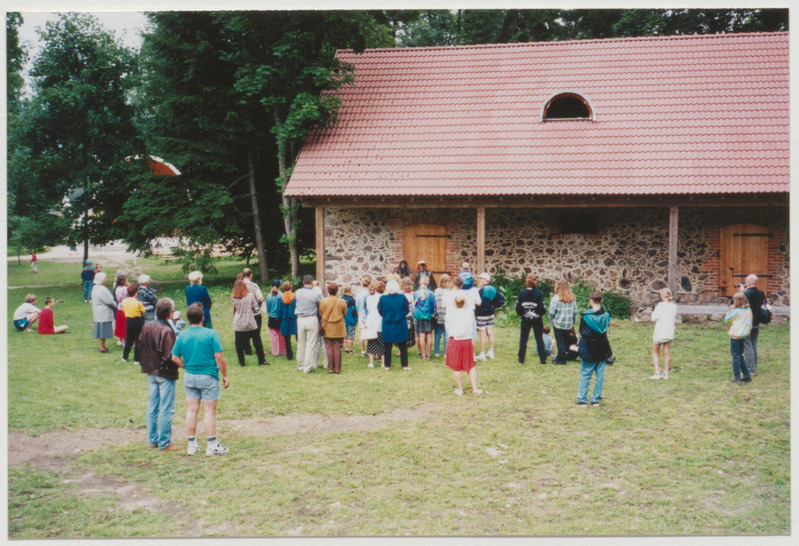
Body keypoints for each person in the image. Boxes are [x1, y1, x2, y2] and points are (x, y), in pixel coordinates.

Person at [171, 302, 231, 456]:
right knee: (209, 411)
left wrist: (187, 367)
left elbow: (175, 357)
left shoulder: (182, 335)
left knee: (191, 410)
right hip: (208, 377)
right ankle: (212, 445)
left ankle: (192, 445)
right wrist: (225, 375)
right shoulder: (211, 334)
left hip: (190, 377)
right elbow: (219, 357)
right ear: (203, 317)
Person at [138, 298, 181, 451]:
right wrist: (184, 365)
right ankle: (164, 443)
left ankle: (152, 440)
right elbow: (170, 356)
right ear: (170, 313)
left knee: (153, 406)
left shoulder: (147, 325)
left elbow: (140, 346)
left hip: (151, 370)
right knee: (166, 408)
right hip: (164, 373)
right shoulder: (167, 330)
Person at [575, 291, 613, 406]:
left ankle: (582, 399)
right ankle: (596, 398)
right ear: (601, 301)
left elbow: (582, 332)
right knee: (600, 375)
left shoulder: (586, 317)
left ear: (591, 301)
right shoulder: (606, 316)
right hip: (602, 347)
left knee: (586, 373)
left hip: (589, 348)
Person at [445, 293, 482, 395]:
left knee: (456, 367)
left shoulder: (450, 314)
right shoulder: (469, 313)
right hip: (467, 340)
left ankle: (460, 390)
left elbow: (448, 328)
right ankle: (475, 389)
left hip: (455, 341)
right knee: (470, 365)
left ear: (454, 303)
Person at [231, 278, 268, 367]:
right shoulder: (250, 296)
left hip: (238, 322)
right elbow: (254, 307)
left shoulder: (233, 297)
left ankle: (242, 362)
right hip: (250, 321)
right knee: (257, 342)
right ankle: (261, 360)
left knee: (238, 344)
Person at [379, 279, 411, 370]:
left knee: (387, 346)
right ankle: (405, 365)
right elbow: (406, 309)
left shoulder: (383, 298)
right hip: (400, 323)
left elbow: (380, 310)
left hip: (387, 324)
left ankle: (387, 365)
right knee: (403, 345)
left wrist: (387, 316)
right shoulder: (402, 297)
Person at [516, 273, 547, 365]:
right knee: (539, 339)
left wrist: (522, 314)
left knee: (523, 339)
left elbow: (518, 307)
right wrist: (539, 314)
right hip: (537, 319)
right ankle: (542, 360)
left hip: (525, 319)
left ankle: (521, 360)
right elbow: (543, 307)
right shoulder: (538, 293)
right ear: (535, 281)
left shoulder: (522, 293)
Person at [295, 275, 323, 373]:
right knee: (311, 343)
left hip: (300, 318)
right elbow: (320, 304)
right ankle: (307, 367)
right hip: (311, 318)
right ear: (312, 283)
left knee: (301, 343)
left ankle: (300, 365)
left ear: (303, 282)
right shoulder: (315, 294)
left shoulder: (298, 292)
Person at [723, 292, 753, 384]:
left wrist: (731, 310)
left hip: (735, 335)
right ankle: (747, 375)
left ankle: (737, 377)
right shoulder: (748, 310)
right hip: (743, 335)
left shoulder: (737, 312)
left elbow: (727, 319)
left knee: (735, 356)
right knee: (740, 355)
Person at [475, 272, 505, 361]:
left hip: (481, 315)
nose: (479, 280)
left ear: (486, 280)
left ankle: (482, 353)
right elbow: (501, 299)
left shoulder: (481, 290)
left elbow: (476, 302)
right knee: (490, 332)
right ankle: (491, 351)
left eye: (481, 279)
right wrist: (494, 306)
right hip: (491, 314)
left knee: (482, 334)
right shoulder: (493, 289)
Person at [319, 283, 348, 374]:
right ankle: (338, 368)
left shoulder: (323, 301)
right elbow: (345, 313)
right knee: (338, 347)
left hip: (327, 326)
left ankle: (331, 368)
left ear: (328, 290)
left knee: (329, 347)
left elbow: (321, 313)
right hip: (339, 326)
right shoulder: (342, 301)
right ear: (337, 291)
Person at [548, 279, 578, 365]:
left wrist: (551, 321)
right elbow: (575, 312)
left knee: (560, 342)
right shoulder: (572, 298)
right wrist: (572, 322)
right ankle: (558, 359)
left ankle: (563, 360)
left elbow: (551, 312)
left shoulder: (556, 298)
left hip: (558, 323)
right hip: (568, 324)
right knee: (564, 342)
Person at [742, 274, 767, 375]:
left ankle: (750, 369)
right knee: (753, 344)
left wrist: (741, 291)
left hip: (747, 322)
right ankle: (753, 366)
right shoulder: (760, 293)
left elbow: (736, 303)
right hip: (756, 321)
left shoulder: (745, 293)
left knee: (747, 346)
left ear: (748, 282)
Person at [650, 287, 677, 379]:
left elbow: (654, 317)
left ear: (662, 296)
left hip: (660, 331)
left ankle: (657, 372)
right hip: (669, 331)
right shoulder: (674, 306)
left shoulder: (660, 306)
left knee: (655, 352)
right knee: (667, 353)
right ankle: (665, 373)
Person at [91, 272, 118, 353]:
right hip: (103, 312)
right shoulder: (102, 289)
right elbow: (109, 301)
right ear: (102, 280)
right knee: (103, 331)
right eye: (105, 278)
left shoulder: (95, 287)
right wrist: (116, 305)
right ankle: (102, 347)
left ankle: (102, 346)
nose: (106, 280)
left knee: (101, 330)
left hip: (98, 312)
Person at [242, 268, 266, 353]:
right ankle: (258, 349)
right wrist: (257, 307)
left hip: (244, 312)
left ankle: (247, 349)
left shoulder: (239, 285)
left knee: (245, 331)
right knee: (256, 332)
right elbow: (260, 298)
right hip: (255, 312)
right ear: (250, 275)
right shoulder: (254, 286)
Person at [413, 276, 436, 359]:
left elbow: (414, 305)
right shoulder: (431, 293)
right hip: (428, 316)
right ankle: (429, 354)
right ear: (428, 282)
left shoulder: (415, 293)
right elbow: (434, 305)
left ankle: (423, 355)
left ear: (420, 282)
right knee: (429, 335)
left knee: (421, 335)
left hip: (419, 316)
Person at [122, 283, 146, 364]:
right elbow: (143, 311)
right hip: (138, 320)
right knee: (138, 340)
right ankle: (136, 359)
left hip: (129, 320)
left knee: (129, 339)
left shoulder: (124, 302)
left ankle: (125, 357)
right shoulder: (138, 303)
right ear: (136, 293)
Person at [365, 281, 386, 368]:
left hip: (372, 320)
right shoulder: (385, 298)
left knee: (371, 342)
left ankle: (371, 362)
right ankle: (383, 363)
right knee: (383, 342)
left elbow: (368, 308)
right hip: (381, 320)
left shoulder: (370, 298)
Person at [266, 279, 286, 357]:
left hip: (271, 317)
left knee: (273, 337)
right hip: (280, 318)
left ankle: (275, 352)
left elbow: (267, 307)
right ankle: (283, 351)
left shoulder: (268, 296)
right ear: (279, 286)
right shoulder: (282, 295)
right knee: (281, 336)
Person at [433, 274, 452, 358]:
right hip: (447, 314)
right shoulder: (450, 292)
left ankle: (436, 352)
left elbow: (434, 303)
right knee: (446, 335)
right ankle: (445, 352)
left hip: (438, 314)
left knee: (437, 334)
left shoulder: (436, 291)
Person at [277, 280, 297, 360]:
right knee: (298, 337)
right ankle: (300, 353)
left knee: (287, 339)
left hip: (284, 320)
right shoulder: (295, 297)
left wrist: (278, 319)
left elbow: (279, 311)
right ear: (291, 287)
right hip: (294, 319)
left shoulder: (281, 298)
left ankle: (289, 355)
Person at [355, 276, 372, 357]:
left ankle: (362, 351)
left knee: (362, 333)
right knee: (369, 333)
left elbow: (357, 305)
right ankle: (370, 350)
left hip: (360, 315)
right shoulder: (368, 294)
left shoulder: (358, 294)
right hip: (367, 315)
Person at [113, 274, 129, 346]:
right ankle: (125, 342)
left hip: (119, 307)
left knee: (120, 323)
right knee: (125, 324)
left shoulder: (117, 288)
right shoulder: (126, 289)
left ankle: (120, 339)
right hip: (125, 308)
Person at [341, 285, 358, 354]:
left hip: (343, 319)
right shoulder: (352, 300)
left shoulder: (341, 298)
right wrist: (356, 318)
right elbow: (354, 310)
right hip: (351, 319)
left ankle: (345, 348)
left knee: (344, 334)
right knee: (351, 334)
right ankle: (350, 349)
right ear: (350, 291)